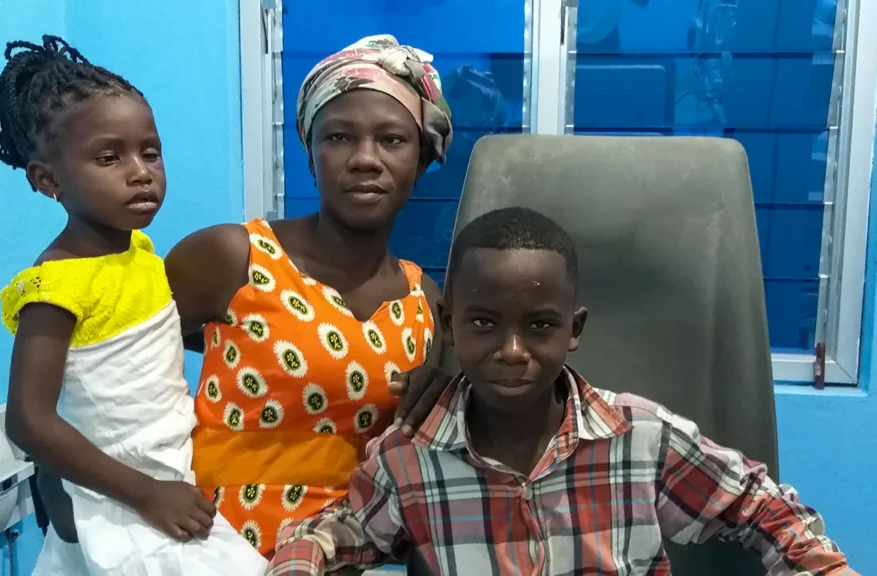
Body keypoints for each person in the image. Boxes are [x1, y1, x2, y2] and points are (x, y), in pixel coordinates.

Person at [266, 207, 858, 576]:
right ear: (448, 323)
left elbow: (760, 504)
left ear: (574, 330)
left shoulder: (641, 438)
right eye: (483, 323)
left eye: (540, 326)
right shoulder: (407, 459)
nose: (512, 350)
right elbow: (333, 533)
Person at [159, 34, 455, 559]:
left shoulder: (423, 302)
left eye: (392, 140)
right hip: (220, 549)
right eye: (339, 137)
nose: (365, 159)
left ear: (420, 161)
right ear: (311, 155)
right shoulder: (232, 258)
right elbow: (116, 362)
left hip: (360, 551)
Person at [0, 36, 266, 575]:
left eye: (150, 152)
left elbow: (151, 343)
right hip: (123, 496)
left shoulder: (138, 254)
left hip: (171, 468)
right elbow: (28, 421)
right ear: (48, 179)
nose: (140, 172)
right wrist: (146, 494)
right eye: (108, 157)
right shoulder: (56, 287)